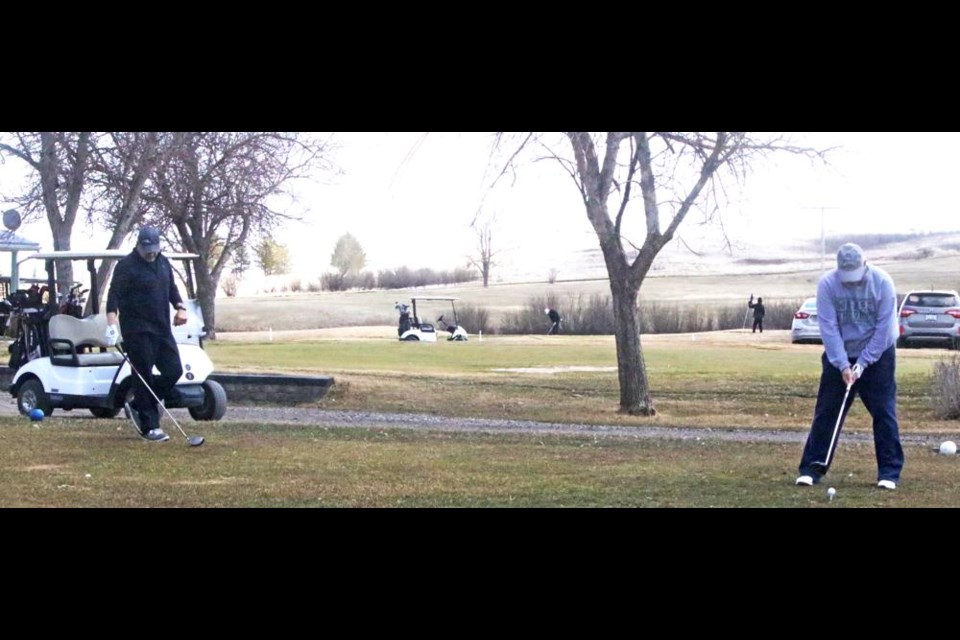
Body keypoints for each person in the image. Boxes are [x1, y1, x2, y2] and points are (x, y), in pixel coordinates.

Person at [796, 242, 903, 490]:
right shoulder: (827, 285)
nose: (851, 282)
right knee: (827, 412)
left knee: (884, 412)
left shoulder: (882, 283)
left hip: (879, 354)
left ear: (864, 265)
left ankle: (889, 472)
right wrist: (843, 365)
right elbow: (829, 329)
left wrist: (864, 362)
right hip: (840, 354)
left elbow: (885, 330)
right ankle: (811, 468)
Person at [104, 226, 189, 442]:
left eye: (154, 248)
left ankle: (138, 404)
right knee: (143, 375)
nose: (151, 252)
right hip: (137, 329)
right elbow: (113, 297)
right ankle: (150, 426)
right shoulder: (126, 266)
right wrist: (112, 325)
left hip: (162, 327)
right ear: (139, 245)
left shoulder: (163, 261)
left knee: (174, 370)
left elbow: (172, 288)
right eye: (146, 248)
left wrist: (180, 307)